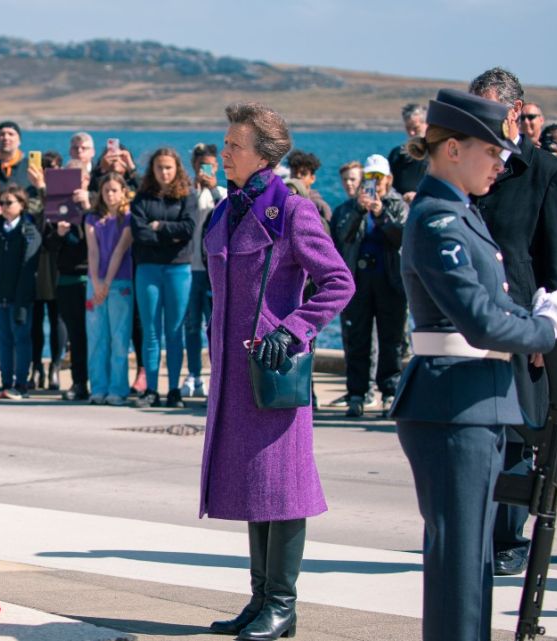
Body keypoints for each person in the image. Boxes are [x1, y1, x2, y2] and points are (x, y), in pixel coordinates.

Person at [390, 87, 557, 641]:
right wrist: (544, 326)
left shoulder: (461, 214)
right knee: (458, 560)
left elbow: (497, 307)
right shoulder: (436, 220)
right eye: (491, 151)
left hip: (478, 401)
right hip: (453, 403)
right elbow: (479, 320)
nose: (501, 161)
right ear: (452, 149)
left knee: (474, 555)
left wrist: (534, 311)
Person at [202, 102, 354, 640]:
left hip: (273, 371)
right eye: (225, 143)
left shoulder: (291, 210)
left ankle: (283, 606)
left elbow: (338, 282)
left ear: (264, 155)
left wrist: (291, 330)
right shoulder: (225, 209)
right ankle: (261, 599)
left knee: (282, 486)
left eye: (234, 145)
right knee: (254, 485)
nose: (224, 152)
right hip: (234, 371)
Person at [469, 67, 557, 577]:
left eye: (489, 110)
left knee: (515, 436)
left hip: (521, 324)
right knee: (474, 430)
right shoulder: (468, 165)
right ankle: (473, 533)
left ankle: (508, 536)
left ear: (514, 112)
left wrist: (546, 333)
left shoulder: (546, 174)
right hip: (469, 323)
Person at [331, 154, 408, 418]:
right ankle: (357, 393)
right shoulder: (348, 208)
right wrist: (360, 211)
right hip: (359, 283)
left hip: (391, 282)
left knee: (391, 340)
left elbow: (401, 238)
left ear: (389, 179)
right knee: (358, 340)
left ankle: (390, 391)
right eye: (370, 177)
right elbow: (341, 237)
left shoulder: (397, 206)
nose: (375, 183)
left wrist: (380, 213)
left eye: (379, 178)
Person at [130, 148, 197, 409]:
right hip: (148, 269)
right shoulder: (142, 197)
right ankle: (151, 390)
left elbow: (189, 229)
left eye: (168, 167)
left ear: (177, 168)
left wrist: (158, 227)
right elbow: (139, 233)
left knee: (174, 331)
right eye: (159, 167)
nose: (164, 172)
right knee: (151, 332)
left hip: (178, 269)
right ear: (152, 169)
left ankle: (173, 390)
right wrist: (170, 235)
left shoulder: (186, 196)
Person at [0, 185, 42, 399]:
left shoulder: (28, 230)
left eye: (10, 202)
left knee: (21, 338)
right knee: (4, 339)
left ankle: (21, 384)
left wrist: (22, 299)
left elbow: (29, 267)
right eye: (2, 203)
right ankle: (6, 383)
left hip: (20, 297)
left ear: (22, 205)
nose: (5, 207)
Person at [85, 173, 135, 406]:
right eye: (106, 190)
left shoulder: (128, 218)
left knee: (119, 337)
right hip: (95, 284)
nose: (110, 194)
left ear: (123, 191)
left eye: (115, 190)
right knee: (96, 337)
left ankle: (118, 388)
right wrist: (96, 282)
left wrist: (107, 283)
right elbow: (93, 251)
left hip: (120, 283)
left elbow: (120, 251)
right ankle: (98, 387)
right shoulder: (92, 219)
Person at [45, 160, 91, 401]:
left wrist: (87, 208)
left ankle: (103, 382)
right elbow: (47, 245)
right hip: (67, 279)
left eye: (79, 177)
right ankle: (79, 382)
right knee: (75, 335)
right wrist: (59, 234)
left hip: (91, 278)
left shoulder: (94, 203)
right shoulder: (56, 205)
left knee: (95, 335)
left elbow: (102, 239)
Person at [183, 143, 225, 398]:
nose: (204, 169)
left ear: (217, 166)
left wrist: (210, 188)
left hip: (211, 270)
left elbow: (227, 213)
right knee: (190, 324)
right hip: (189, 268)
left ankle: (215, 375)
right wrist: (196, 189)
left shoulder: (222, 192)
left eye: (209, 165)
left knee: (213, 326)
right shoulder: (187, 192)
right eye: (200, 165)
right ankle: (194, 373)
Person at [28, 151, 68, 392]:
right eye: (43, 167)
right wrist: (39, 189)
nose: (46, 172)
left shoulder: (62, 194)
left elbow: (54, 220)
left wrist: (45, 189)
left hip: (56, 261)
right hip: (34, 261)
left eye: (52, 168)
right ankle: (36, 366)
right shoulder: (28, 193)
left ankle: (54, 366)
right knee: (34, 319)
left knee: (57, 318)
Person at [388, 103, 430, 203]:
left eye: (416, 128)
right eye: (408, 128)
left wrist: (419, 195)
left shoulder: (438, 155)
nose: (411, 133)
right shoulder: (397, 155)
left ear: (427, 125)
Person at [286, 150, 332, 224]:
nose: (298, 176)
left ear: (312, 178)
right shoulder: (283, 199)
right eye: (294, 173)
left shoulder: (320, 206)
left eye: (303, 174)